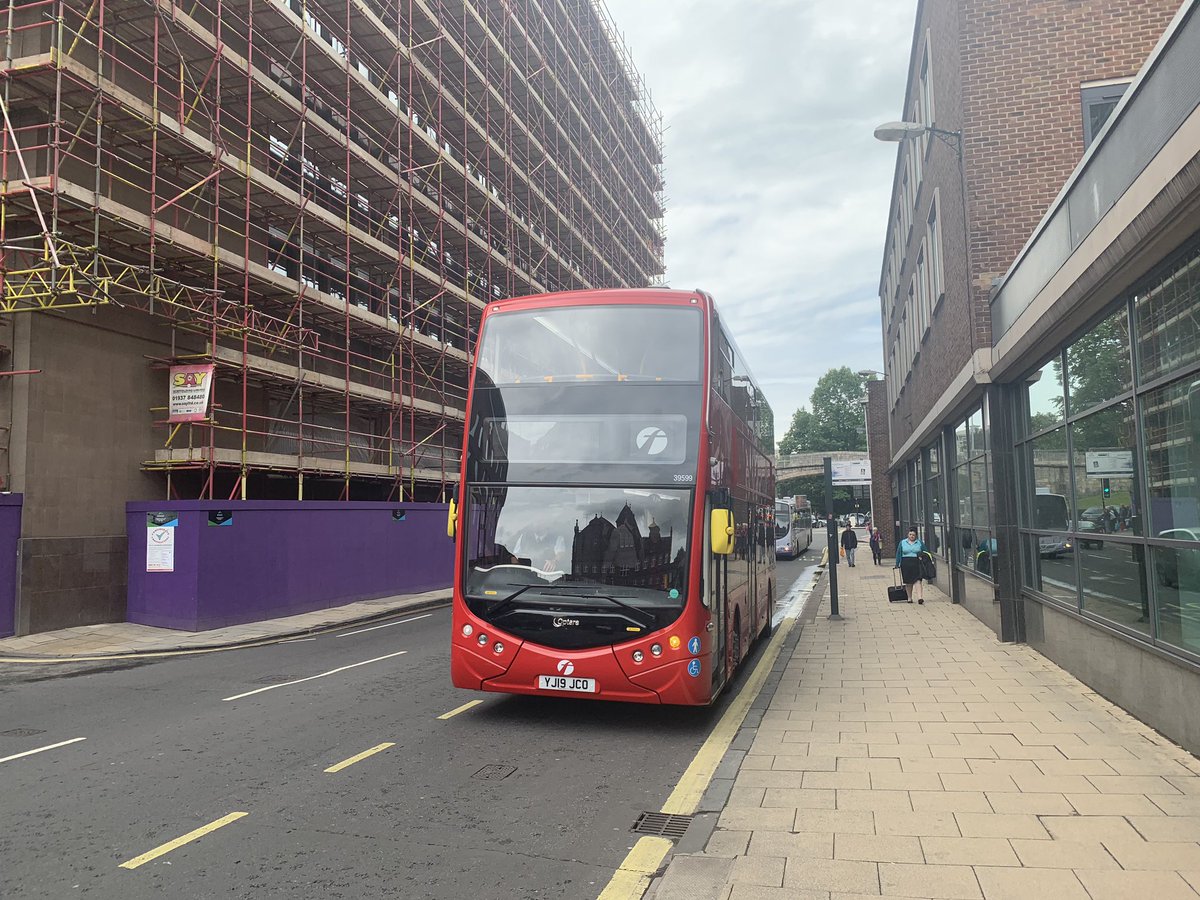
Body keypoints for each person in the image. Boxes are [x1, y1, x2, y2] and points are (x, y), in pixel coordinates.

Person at [895, 526, 927, 604]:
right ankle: (909, 598)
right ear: (908, 535)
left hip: (916, 563)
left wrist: (922, 558)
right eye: (910, 534)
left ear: (916, 535)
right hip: (906, 563)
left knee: (918, 580)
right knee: (908, 582)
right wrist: (897, 563)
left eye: (913, 535)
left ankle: (920, 598)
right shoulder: (902, 542)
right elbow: (899, 553)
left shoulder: (919, 543)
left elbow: (925, 552)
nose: (911, 536)